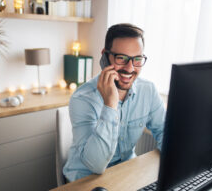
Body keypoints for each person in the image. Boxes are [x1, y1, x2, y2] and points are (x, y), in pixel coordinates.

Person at [63, 23, 166, 182]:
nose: (130, 68)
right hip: (85, 179)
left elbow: (165, 131)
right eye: (122, 58)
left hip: (125, 173)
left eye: (137, 59)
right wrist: (110, 104)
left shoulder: (148, 90)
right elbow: (96, 166)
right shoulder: (82, 98)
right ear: (105, 56)